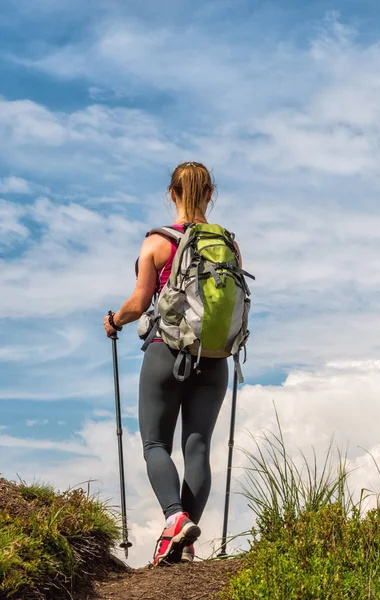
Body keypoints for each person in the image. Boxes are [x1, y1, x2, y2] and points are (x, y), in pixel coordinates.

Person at [103, 162, 240, 565]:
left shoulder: (158, 242)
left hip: (167, 350)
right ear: (211, 194)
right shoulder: (229, 245)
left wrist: (114, 321)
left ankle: (174, 518)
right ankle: (183, 539)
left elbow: (139, 303)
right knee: (197, 448)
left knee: (155, 443)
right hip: (215, 358)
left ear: (172, 193)